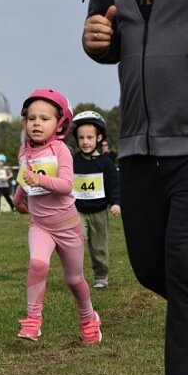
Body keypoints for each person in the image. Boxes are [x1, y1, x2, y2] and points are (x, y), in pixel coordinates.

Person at [82, 0, 188, 375]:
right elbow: (108, 38)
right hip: (136, 144)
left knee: (186, 265)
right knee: (152, 267)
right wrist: (96, 43)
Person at [12, 89, 102, 346]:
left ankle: (88, 319)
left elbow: (65, 185)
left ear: (60, 124)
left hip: (67, 227)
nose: (36, 123)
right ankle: (33, 320)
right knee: (38, 264)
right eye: (31, 118)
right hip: (40, 226)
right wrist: (18, 200)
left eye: (44, 118)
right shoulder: (25, 152)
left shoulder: (61, 151)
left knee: (74, 280)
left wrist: (39, 179)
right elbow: (24, 179)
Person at [71, 111, 121, 290]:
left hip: (100, 211)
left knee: (99, 246)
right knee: (76, 241)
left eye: (90, 137)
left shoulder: (106, 163)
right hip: (78, 210)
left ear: (99, 138)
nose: (85, 141)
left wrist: (116, 202)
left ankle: (101, 275)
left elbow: (114, 184)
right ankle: (75, 275)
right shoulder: (73, 161)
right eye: (81, 137)